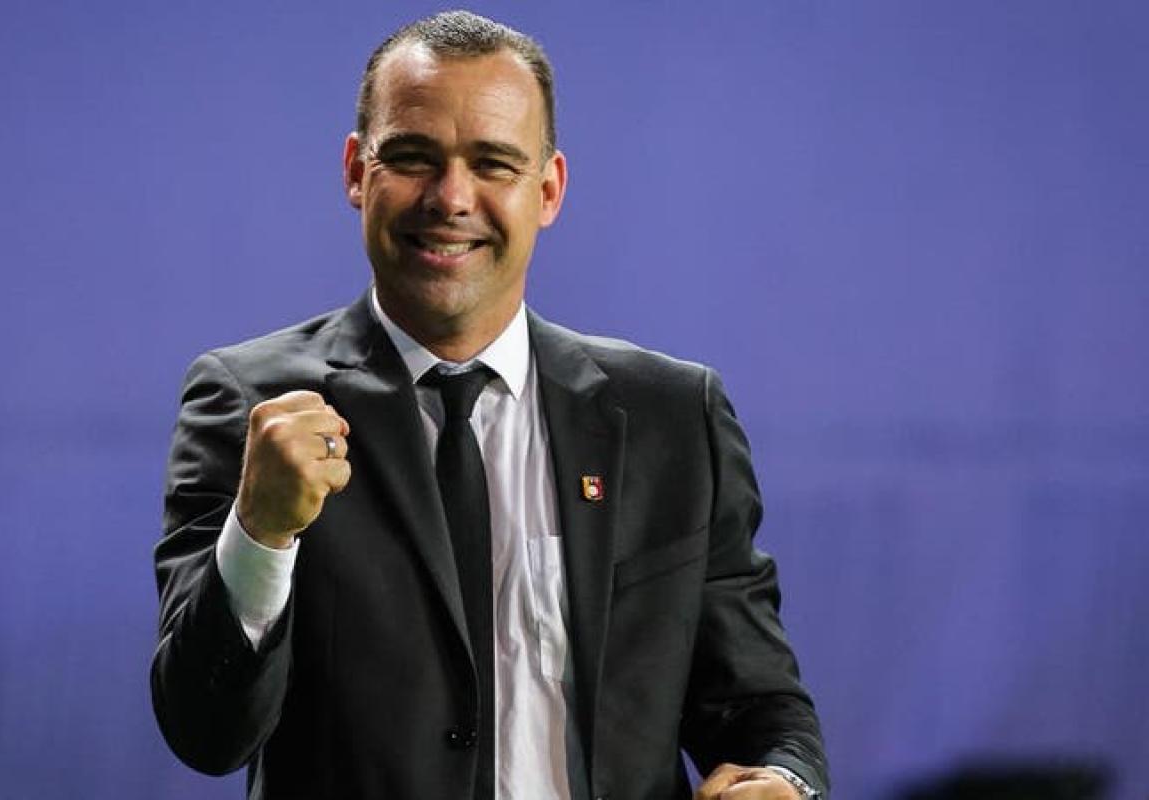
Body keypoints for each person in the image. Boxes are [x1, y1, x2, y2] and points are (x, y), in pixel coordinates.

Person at [152, 10, 829, 800]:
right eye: (413, 158)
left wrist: (781, 780)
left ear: (548, 189)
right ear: (356, 171)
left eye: (493, 164)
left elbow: (757, 706)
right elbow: (205, 732)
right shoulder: (251, 404)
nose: (451, 198)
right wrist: (262, 532)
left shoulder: (675, 418)